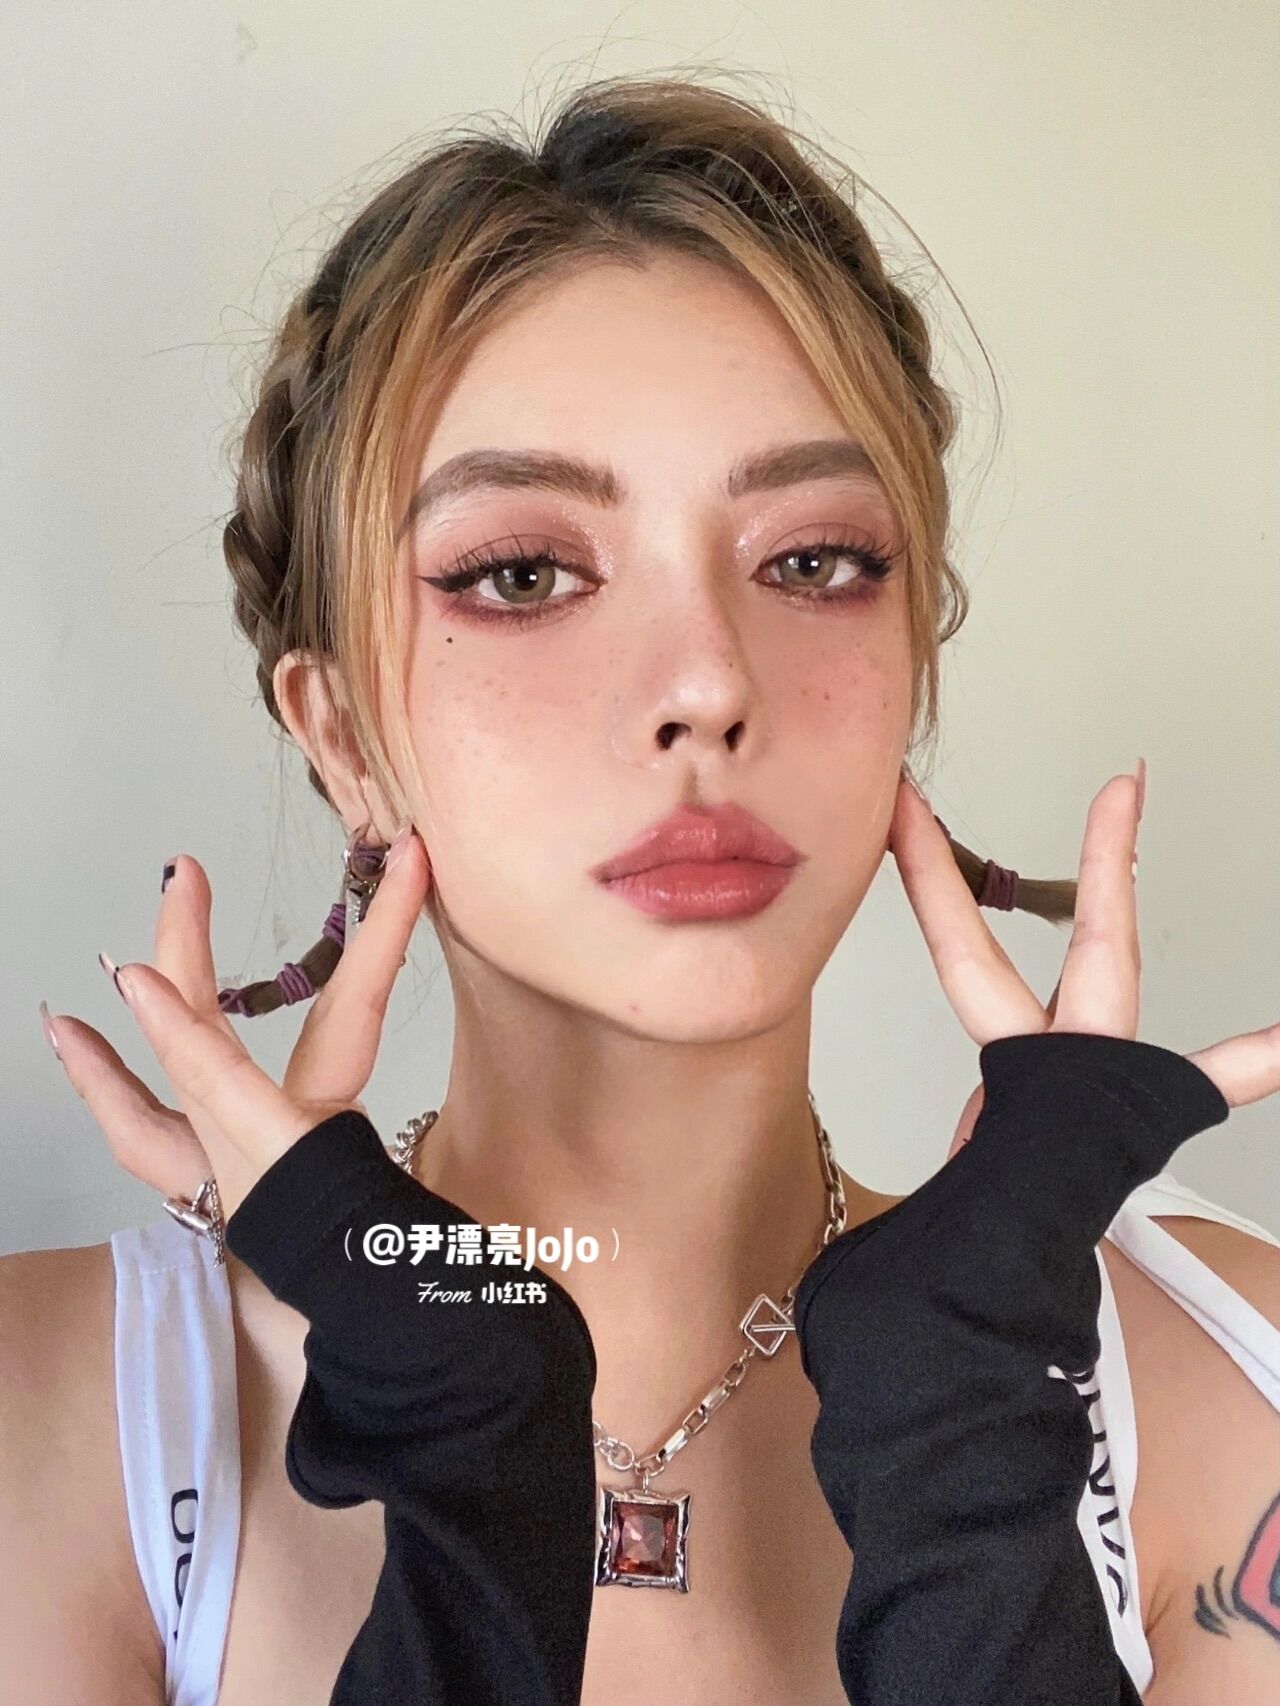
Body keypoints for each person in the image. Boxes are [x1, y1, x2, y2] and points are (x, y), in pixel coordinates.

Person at [2, 73, 1278, 1706]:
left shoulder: (1229, 1380)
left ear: (910, 667)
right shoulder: (53, 1420)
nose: (708, 681)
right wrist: (467, 1408)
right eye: (524, 573)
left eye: (812, 560)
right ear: (342, 737)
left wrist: (966, 1403)